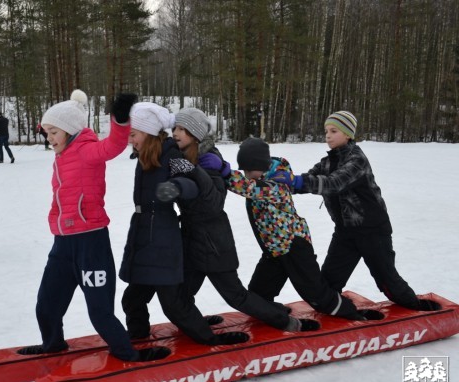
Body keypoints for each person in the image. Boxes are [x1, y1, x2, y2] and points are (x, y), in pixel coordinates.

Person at [18, 90, 169, 362]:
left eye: (54, 132)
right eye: (46, 132)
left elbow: (113, 146)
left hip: (91, 243)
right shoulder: (62, 155)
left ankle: (127, 354)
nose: (49, 138)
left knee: (99, 311)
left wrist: (120, 120)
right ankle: (53, 346)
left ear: (70, 130)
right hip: (63, 244)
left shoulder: (87, 150)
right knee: (47, 305)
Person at [165, 108, 318, 332]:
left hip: (214, 244)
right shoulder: (184, 156)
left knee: (235, 296)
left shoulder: (209, 160)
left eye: (181, 128)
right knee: (181, 295)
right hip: (192, 238)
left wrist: (199, 172)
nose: (175, 133)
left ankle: (284, 321)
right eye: (174, 128)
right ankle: (196, 330)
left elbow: (214, 202)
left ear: (195, 133)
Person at [272, 111, 439, 311]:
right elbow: (308, 180)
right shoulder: (327, 162)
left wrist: (297, 181)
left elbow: (334, 183)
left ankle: (417, 309)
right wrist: (280, 181)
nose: (328, 136)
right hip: (345, 232)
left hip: (372, 230)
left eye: (334, 131)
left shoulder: (357, 160)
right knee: (329, 282)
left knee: (387, 280)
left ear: (348, 134)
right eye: (326, 131)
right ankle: (335, 312)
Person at [202, 137, 376, 320]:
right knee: (258, 294)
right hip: (274, 249)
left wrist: (225, 170)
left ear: (261, 165)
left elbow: (250, 188)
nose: (247, 175)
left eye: (249, 170)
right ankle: (275, 315)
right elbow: (247, 184)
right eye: (244, 170)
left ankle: (352, 314)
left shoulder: (277, 181)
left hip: (294, 246)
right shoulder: (259, 176)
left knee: (316, 294)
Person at [119, 102, 249, 345]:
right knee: (133, 298)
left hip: (162, 238)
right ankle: (138, 339)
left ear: (147, 132)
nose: (130, 140)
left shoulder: (170, 154)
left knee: (173, 304)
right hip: (143, 235)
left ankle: (209, 340)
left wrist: (177, 187)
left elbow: (191, 181)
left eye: (133, 135)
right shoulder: (145, 153)